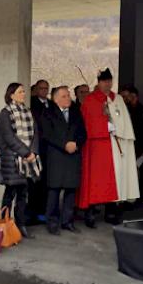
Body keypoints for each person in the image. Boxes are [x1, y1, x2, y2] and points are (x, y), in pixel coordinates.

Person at [78, 68, 139, 227]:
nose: (108, 84)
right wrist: (104, 126)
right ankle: (90, 213)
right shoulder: (91, 100)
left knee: (116, 179)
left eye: (110, 81)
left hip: (116, 144)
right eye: (105, 81)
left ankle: (111, 211)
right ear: (99, 83)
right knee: (96, 180)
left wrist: (119, 129)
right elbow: (87, 122)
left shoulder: (117, 99)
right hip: (98, 146)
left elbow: (124, 120)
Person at [0, 83, 41, 239]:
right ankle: (4, 225)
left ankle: (20, 225)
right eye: (20, 92)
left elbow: (35, 133)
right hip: (12, 159)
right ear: (12, 95)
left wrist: (33, 152)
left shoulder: (28, 112)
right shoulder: (5, 112)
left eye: (24, 91)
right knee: (10, 193)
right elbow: (8, 137)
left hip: (27, 160)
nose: (23, 94)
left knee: (23, 194)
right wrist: (25, 152)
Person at [41, 86, 86, 235]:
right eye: (65, 96)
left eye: (68, 96)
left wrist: (76, 144)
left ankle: (67, 221)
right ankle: (52, 222)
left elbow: (83, 133)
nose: (68, 98)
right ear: (56, 99)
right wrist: (64, 144)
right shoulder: (48, 113)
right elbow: (47, 134)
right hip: (57, 156)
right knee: (54, 190)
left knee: (71, 190)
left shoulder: (75, 112)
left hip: (73, 155)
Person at [27, 79, 50, 223]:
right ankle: (31, 213)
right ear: (36, 89)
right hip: (35, 147)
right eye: (41, 88)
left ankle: (42, 211)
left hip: (48, 148)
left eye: (46, 88)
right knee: (33, 182)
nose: (44, 91)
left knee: (45, 182)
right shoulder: (31, 104)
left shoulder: (51, 105)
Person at [119, 85, 143, 164]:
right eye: (124, 97)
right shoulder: (122, 108)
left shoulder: (141, 109)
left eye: (132, 96)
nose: (129, 99)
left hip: (138, 146)